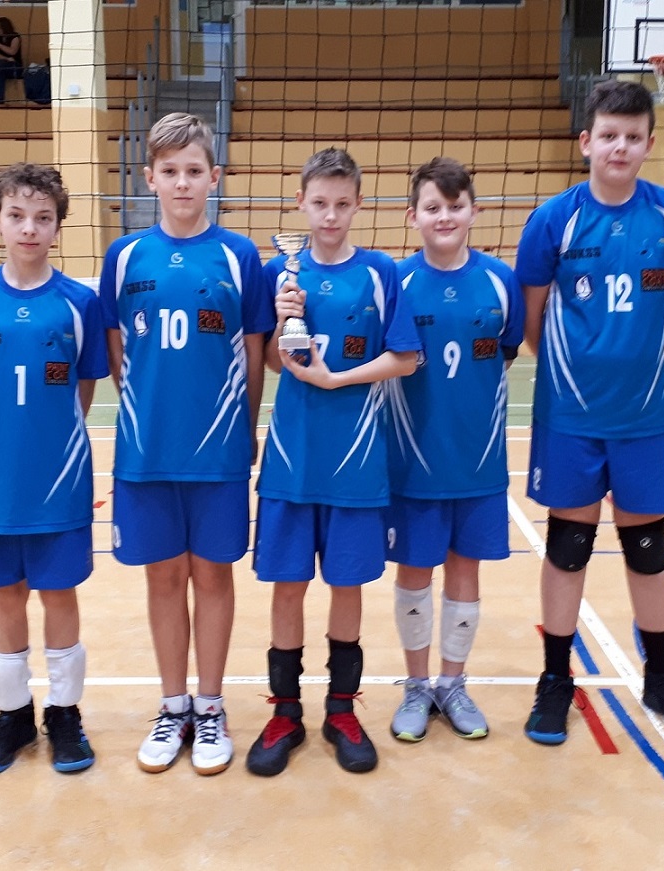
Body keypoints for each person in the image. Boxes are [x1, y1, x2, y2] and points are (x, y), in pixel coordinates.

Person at [515, 80, 664, 745]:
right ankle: (555, 680)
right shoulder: (554, 220)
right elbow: (532, 318)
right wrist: (576, 371)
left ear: (649, 144)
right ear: (586, 142)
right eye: (608, 135)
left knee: (647, 547)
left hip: (645, 414)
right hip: (571, 413)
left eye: (632, 137)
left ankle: (661, 677)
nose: (619, 147)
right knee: (568, 547)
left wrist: (640, 365)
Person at [98, 113, 273, 776]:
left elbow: (253, 352)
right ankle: (173, 705)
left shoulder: (239, 256)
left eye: (193, 171)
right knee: (164, 576)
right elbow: (118, 353)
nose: (181, 183)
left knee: (213, 575)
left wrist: (244, 428)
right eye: (169, 171)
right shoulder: (124, 256)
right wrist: (150, 412)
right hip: (147, 451)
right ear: (149, 177)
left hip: (218, 449)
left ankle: (211, 705)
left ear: (214, 177)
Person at [246, 147, 420, 777]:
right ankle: (285, 713)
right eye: (319, 203)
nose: (329, 215)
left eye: (342, 204)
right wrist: (281, 323)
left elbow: (406, 358)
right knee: (288, 585)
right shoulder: (278, 271)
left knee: (347, 585)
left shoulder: (379, 272)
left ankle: (341, 710)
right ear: (300, 203)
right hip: (292, 459)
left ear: (359, 205)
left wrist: (337, 379)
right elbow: (272, 361)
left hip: (356, 461)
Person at [0, 163, 109, 776]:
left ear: (57, 227)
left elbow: (83, 391)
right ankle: (12, 715)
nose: (29, 228)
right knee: (6, 593)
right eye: (16, 216)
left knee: (59, 593)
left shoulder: (79, 303)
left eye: (43, 217)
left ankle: (64, 715)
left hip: (60, 479)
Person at [385, 156, 524, 743]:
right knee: (415, 571)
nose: (444, 216)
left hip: (478, 460)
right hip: (413, 461)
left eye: (455, 205)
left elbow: (505, 352)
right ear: (412, 216)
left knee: (466, 570)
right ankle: (417, 687)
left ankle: (453, 683)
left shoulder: (500, 281)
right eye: (432, 207)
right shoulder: (396, 282)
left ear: (474, 211)